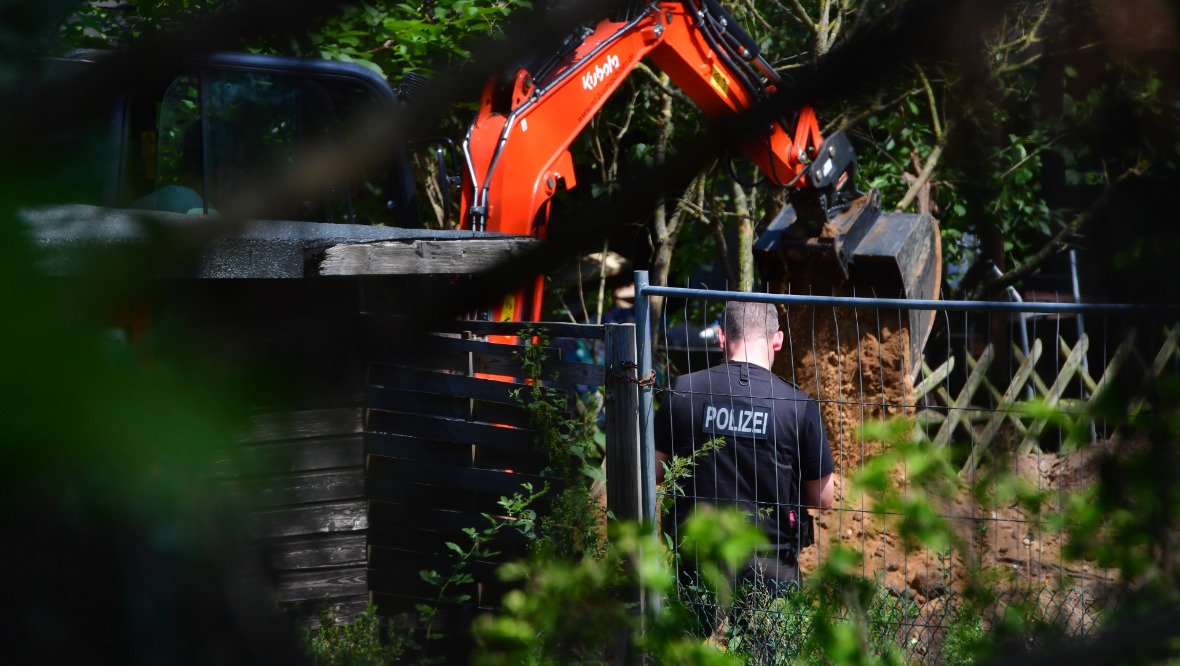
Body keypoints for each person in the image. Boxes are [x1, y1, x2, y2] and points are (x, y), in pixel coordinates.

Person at [655, 300, 834, 597]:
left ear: (721, 337)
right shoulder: (797, 405)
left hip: (696, 554)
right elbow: (823, 497)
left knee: (686, 639)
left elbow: (655, 471)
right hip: (770, 562)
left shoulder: (683, 390)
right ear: (777, 340)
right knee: (766, 644)